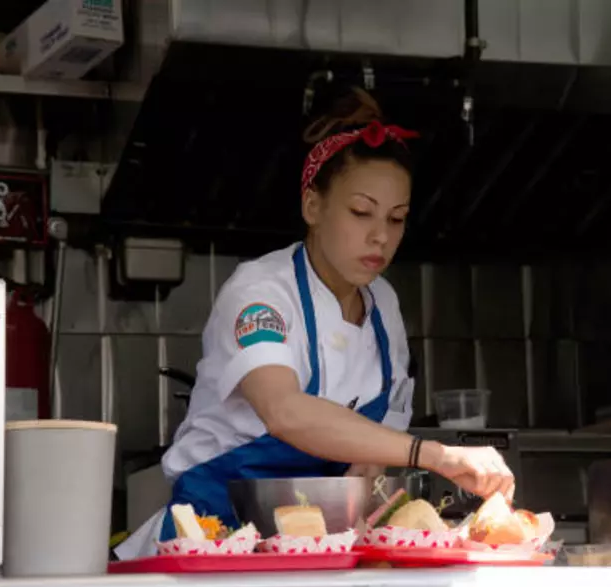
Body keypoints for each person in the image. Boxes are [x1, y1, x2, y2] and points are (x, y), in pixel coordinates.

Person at [116, 89, 514, 560]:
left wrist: (370, 468)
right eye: (361, 212)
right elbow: (285, 411)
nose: (380, 236)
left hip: (325, 545)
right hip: (215, 539)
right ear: (312, 206)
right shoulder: (262, 291)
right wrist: (437, 455)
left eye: (397, 218)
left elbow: (375, 447)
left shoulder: (383, 304)